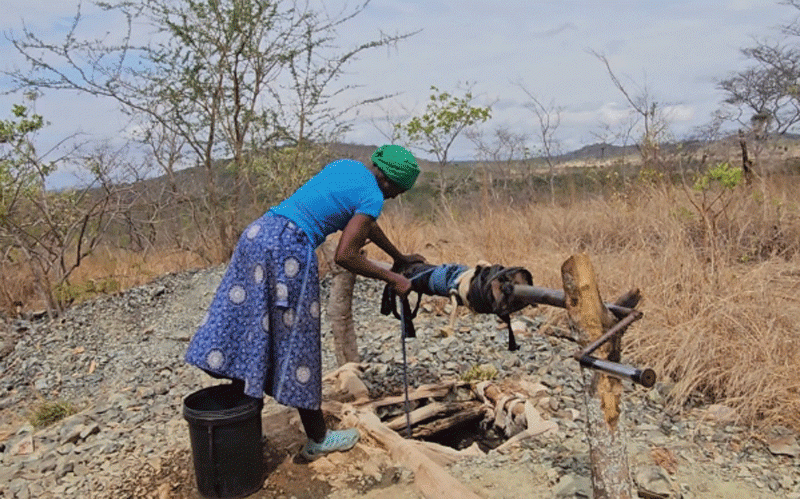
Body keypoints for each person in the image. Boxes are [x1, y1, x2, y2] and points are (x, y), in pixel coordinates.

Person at [185, 144, 424, 461]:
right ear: (390, 183)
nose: (394, 198)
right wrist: (393, 278)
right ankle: (318, 438)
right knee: (298, 339)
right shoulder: (373, 196)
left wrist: (398, 257)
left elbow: (367, 226)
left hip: (259, 235)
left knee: (252, 328)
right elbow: (346, 255)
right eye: (398, 192)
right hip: (289, 250)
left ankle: (245, 428)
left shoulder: (347, 168)